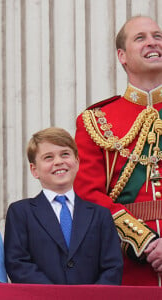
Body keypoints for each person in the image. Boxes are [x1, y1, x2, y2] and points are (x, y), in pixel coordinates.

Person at [74, 16, 162, 286]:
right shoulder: (96, 120)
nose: (152, 42)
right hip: (127, 262)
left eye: (157, 36)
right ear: (121, 56)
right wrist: (146, 242)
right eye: (141, 38)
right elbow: (87, 193)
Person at [4, 127, 123, 284]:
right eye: (48, 157)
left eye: (65, 154)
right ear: (34, 170)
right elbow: (17, 263)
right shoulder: (21, 212)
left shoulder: (100, 215)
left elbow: (112, 266)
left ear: (77, 162)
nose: (59, 161)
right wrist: (55, 295)